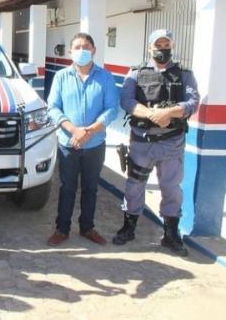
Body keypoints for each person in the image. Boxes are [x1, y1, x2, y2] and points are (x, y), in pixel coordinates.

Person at [112, 29, 199, 256]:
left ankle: (170, 234)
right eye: (158, 44)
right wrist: (152, 115)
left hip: (171, 143)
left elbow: (192, 101)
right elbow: (127, 100)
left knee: (171, 189)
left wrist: (169, 112)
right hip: (142, 143)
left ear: (172, 46)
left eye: (166, 44)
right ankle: (128, 228)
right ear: (150, 48)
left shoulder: (185, 74)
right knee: (134, 186)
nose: (162, 48)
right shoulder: (135, 73)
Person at [46, 32, 119, 247]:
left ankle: (87, 227)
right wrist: (73, 130)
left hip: (95, 143)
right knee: (67, 187)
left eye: (85, 46)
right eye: (77, 47)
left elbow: (112, 109)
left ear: (94, 50)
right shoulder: (61, 77)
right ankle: (62, 229)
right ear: (70, 52)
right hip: (68, 143)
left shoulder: (105, 77)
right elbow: (53, 107)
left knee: (91, 187)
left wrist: (89, 132)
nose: (81, 51)